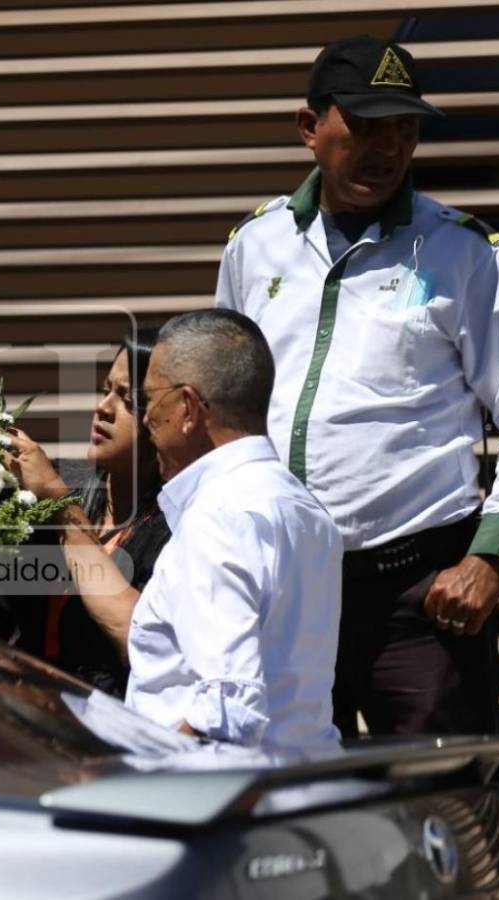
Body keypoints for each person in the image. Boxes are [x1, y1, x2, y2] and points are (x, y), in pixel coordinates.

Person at [215, 35, 499, 738]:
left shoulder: (465, 254)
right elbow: (224, 406)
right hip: (286, 593)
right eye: (367, 125)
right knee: (296, 810)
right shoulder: (255, 246)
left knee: (449, 815)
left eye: (404, 130)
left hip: (420, 597)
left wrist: (491, 558)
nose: (388, 148)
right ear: (310, 127)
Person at [121, 310, 341, 747]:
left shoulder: (217, 517)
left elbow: (227, 712)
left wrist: (134, 782)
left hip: (210, 802)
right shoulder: (308, 511)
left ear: (187, 407)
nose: (145, 420)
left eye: (148, 401)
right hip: (298, 787)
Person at [0, 328, 170, 697]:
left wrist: (58, 502)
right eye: (106, 389)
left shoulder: (175, 523)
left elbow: (141, 641)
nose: (103, 407)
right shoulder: (62, 480)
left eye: (128, 400)